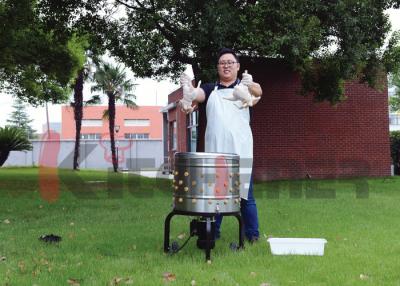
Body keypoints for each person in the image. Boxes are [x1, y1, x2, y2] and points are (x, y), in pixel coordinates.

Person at [179, 48, 262, 243]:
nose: (226, 65)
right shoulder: (209, 89)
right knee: (215, 197)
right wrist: (188, 94)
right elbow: (196, 94)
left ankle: (253, 236)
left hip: (241, 151)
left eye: (230, 62)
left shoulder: (245, 87)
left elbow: (258, 92)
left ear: (237, 66)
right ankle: (211, 234)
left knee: (245, 197)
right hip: (215, 153)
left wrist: (250, 84)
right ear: (218, 67)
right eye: (222, 62)